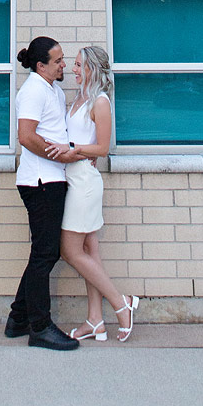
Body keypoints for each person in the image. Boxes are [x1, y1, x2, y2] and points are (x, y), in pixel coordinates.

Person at [45, 46, 139, 342]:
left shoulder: (100, 102)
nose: (72, 70)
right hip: (70, 177)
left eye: (77, 65)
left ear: (93, 69)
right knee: (90, 251)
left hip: (83, 181)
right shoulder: (79, 98)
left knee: (70, 251)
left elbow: (102, 148)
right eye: (71, 64)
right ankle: (95, 321)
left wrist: (75, 150)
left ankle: (120, 304)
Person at [4, 36, 84, 350]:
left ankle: (18, 319)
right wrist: (60, 157)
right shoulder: (34, 90)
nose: (64, 64)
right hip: (40, 182)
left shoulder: (50, 88)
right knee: (45, 254)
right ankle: (40, 327)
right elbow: (26, 136)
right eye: (58, 60)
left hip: (51, 180)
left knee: (44, 252)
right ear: (41, 65)